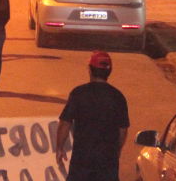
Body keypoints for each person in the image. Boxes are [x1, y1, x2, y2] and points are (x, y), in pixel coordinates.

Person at [55, 51, 130, 181]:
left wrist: (60, 147)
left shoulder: (78, 94)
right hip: (108, 163)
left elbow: (65, 123)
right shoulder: (118, 97)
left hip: (82, 160)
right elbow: (122, 130)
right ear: (109, 71)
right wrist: (116, 151)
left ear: (90, 70)